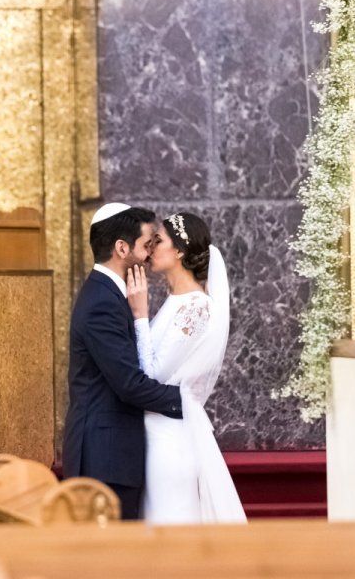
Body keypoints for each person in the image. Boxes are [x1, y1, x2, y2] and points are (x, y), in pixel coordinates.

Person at [61, 203, 183, 520]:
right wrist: (187, 400)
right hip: (104, 460)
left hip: (111, 455)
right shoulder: (102, 302)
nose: (148, 255)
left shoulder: (109, 294)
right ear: (121, 247)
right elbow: (129, 384)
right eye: (145, 246)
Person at [126, 211, 246, 524]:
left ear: (179, 251)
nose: (151, 248)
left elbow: (153, 375)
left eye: (159, 241)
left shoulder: (196, 306)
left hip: (169, 440)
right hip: (153, 434)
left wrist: (139, 314)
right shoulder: (174, 301)